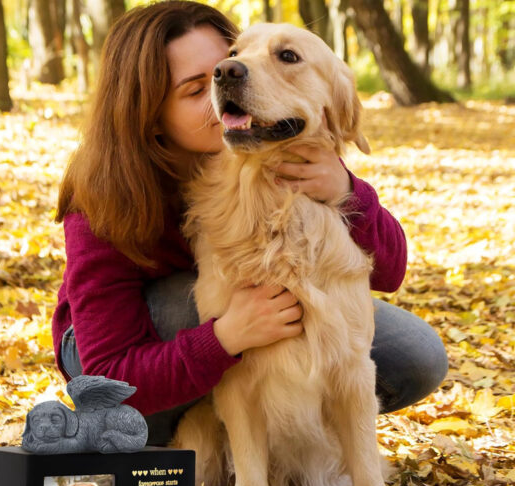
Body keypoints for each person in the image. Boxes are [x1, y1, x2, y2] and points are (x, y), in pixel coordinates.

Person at [52, 0, 448, 447]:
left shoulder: (270, 140)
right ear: (147, 114)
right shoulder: (104, 197)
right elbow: (109, 378)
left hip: (253, 315)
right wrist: (224, 338)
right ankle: (174, 447)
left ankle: (275, 448)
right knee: (194, 298)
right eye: (196, 88)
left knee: (414, 352)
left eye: (229, 67)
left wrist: (346, 190)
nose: (230, 88)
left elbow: (390, 271)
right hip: (120, 357)